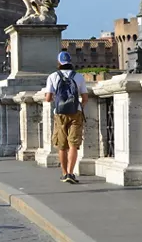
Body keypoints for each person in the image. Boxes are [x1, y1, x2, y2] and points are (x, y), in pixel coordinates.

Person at [44, 51, 87, 184]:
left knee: (62, 145)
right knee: (73, 144)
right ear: (70, 61)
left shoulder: (53, 76)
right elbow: (85, 98)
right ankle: (71, 172)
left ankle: (64, 173)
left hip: (60, 113)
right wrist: (79, 107)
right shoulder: (79, 76)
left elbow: (48, 98)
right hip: (75, 112)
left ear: (59, 63)